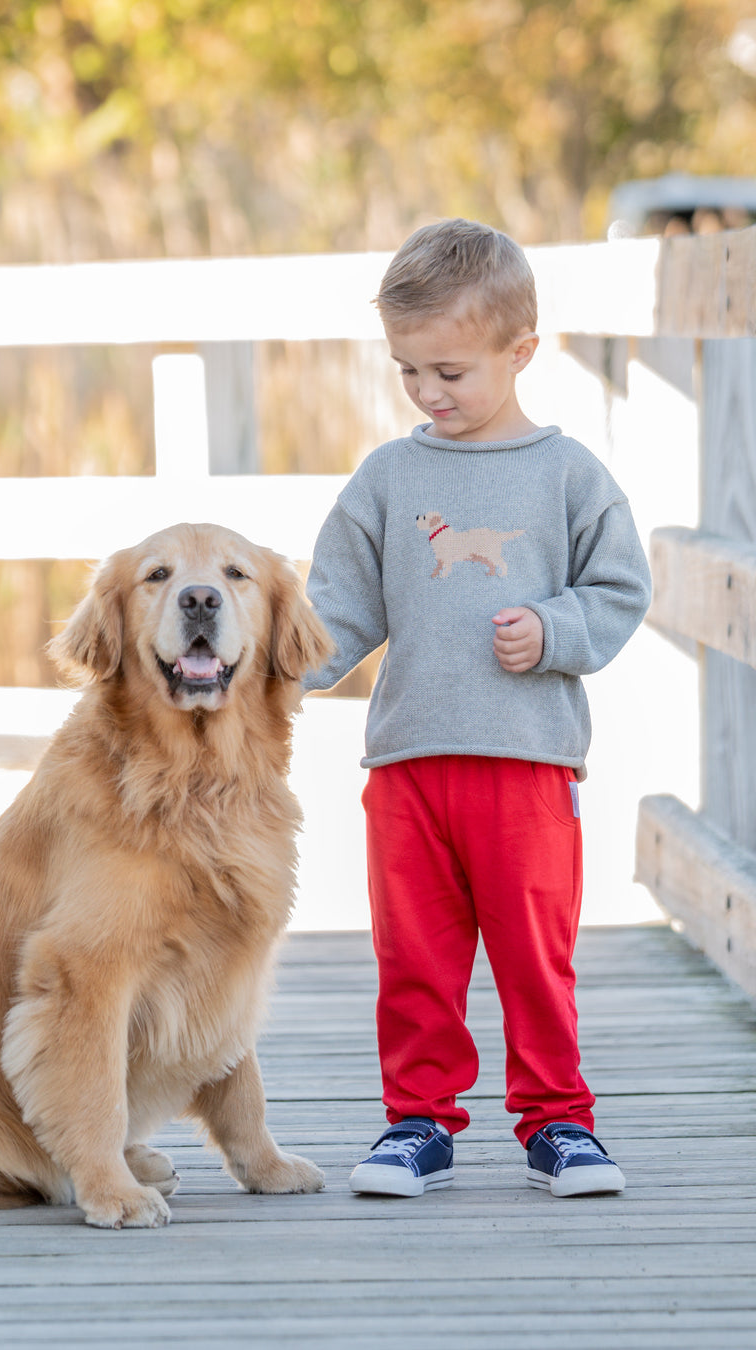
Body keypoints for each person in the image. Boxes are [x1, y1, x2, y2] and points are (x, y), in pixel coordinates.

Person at [303, 218, 651, 1198]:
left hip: (528, 763)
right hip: (408, 763)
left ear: (520, 351)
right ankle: (418, 1125)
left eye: (450, 371)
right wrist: (261, 675)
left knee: (535, 958)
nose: (427, 393)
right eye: (408, 371)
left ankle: (560, 1124)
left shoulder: (568, 475)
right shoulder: (386, 479)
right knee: (413, 958)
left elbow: (620, 591)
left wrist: (554, 631)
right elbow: (336, 610)